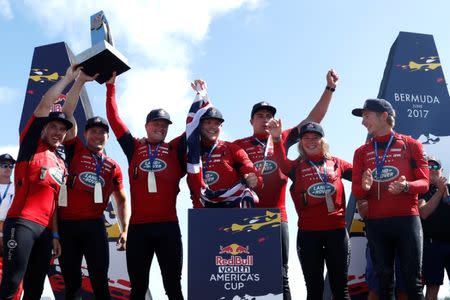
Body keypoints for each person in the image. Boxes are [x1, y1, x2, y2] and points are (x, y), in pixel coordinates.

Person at [233, 69, 339, 299]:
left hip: (277, 217)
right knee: (247, 275)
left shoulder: (282, 138)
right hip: (245, 220)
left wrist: (329, 89)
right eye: (259, 115)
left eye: (268, 115)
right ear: (251, 120)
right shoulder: (237, 145)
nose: (264, 119)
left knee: (280, 276)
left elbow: (314, 120)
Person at [0, 66, 77, 299]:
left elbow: (54, 204)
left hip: (45, 232)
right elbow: (45, 103)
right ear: (43, 128)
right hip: (22, 224)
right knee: (12, 283)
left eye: (62, 130)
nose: (57, 132)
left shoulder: (61, 163)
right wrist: (68, 78)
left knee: (35, 288)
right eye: (53, 126)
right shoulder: (31, 145)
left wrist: (54, 236)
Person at [105, 72, 185, 299]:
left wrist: (202, 96)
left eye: (165, 125)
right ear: (147, 125)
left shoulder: (174, 149)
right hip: (139, 229)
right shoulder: (133, 148)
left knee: (173, 287)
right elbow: (114, 119)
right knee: (138, 288)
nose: (161, 127)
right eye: (156, 123)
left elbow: (195, 126)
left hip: (168, 227)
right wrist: (111, 87)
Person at [54, 69, 130, 300]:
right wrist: (80, 82)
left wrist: (125, 228)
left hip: (95, 228)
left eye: (102, 133)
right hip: (67, 226)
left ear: (107, 137)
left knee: (99, 281)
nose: (98, 136)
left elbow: (122, 199)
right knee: (71, 284)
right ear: (85, 134)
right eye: (93, 132)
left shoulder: (112, 165)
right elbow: (67, 113)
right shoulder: (75, 148)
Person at [351, 98, 428, 299]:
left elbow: (425, 183)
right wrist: (364, 188)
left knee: (413, 282)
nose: (363, 122)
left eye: (366, 116)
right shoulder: (361, 152)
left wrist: (406, 186)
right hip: (377, 223)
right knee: (383, 282)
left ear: (384, 116)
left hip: (407, 220)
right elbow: (358, 192)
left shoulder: (411, 145)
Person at [269, 120, 352, 300]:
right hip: (309, 235)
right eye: (306, 137)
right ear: (300, 142)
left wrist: (369, 182)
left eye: (315, 137)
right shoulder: (296, 167)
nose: (311, 140)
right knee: (314, 289)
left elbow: (361, 177)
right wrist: (276, 139)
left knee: (341, 288)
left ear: (323, 140)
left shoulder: (337, 163)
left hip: (336, 232)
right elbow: (281, 162)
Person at [186, 80, 262, 208]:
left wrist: (255, 180)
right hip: (201, 213)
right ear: (199, 125)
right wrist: (145, 141)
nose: (212, 127)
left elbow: (254, 175)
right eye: (208, 122)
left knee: (251, 198)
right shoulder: (189, 147)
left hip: (230, 214)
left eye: (217, 123)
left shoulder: (233, 149)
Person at [418, 155, 450, 300]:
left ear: (442, 170)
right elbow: (423, 213)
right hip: (431, 245)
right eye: (428, 166)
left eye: (435, 166)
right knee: (432, 286)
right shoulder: (421, 191)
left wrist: (445, 193)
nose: (431, 169)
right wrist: (439, 191)